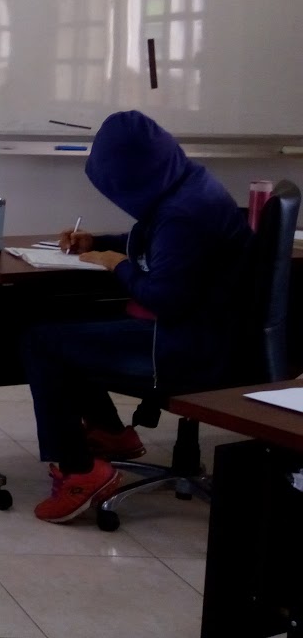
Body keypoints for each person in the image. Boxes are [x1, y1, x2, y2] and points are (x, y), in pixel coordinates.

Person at [22, 110, 251, 524]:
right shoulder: (190, 185)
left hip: (183, 349)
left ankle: (79, 471)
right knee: (70, 325)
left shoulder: (183, 214)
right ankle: (111, 433)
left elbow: (164, 298)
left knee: (44, 341)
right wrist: (99, 243)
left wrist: (119, 265)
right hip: (208, 334)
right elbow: (161, 243)